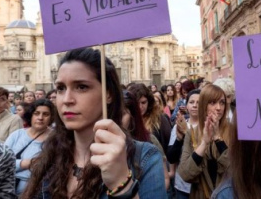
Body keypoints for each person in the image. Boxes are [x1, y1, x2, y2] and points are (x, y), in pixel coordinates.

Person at [22, 47, 166, 198]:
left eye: (81, 87)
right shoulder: (49, 156)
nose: (66, 99)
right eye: (60, 88)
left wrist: (121, 185)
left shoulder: (145, 158)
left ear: (108, 94)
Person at [178, 84, 230, 199]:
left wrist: (217, 138)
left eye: (222, 102)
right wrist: (203, 144)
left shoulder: (233, 131)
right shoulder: (192, 133)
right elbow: (184, 174)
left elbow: (235, 170)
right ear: (203, 105)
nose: (219, 107)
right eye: (213, 103)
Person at [5, 99, 54, 196]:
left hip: (39, 191)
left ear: (51, 117)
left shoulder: (56, 139)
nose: (40, 118)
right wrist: (24, 163)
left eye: (45, 114)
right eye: (36, 113)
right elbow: (1, 162)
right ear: (30, 115)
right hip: (9, 189)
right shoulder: (17, 135)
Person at [167, 89, 201, 199]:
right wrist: (179, 139)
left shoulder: (208, 127)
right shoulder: (179, 125)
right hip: (183, 187)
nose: (195, 106)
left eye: (199, 102)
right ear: (186, 105)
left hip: (203, 184)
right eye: (191, 102)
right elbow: (171, 157)